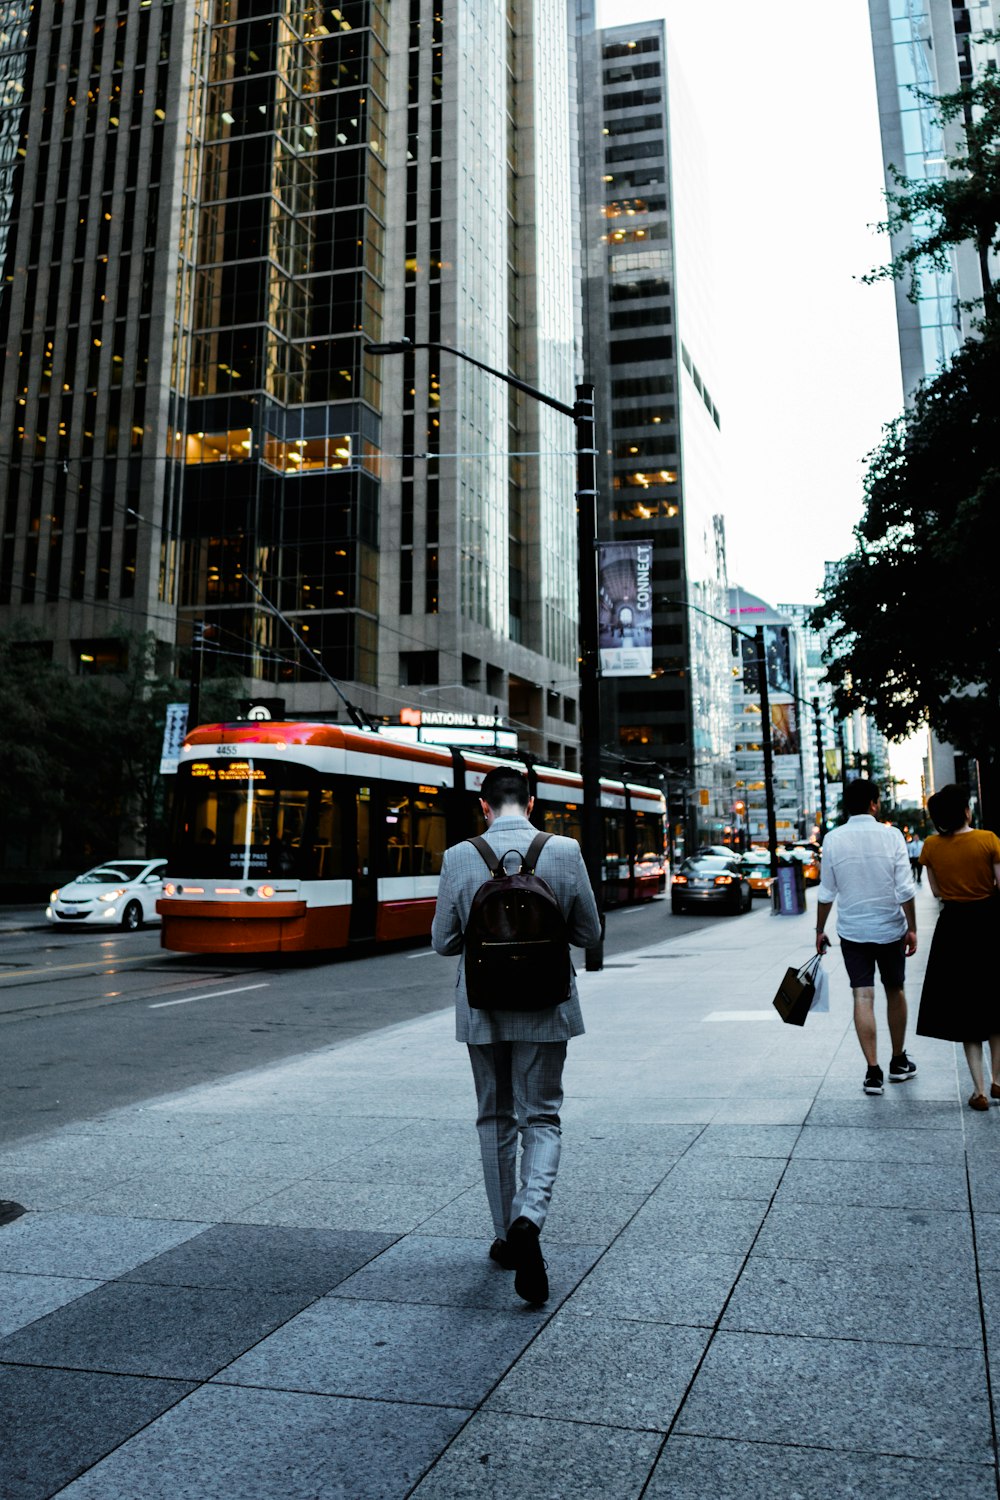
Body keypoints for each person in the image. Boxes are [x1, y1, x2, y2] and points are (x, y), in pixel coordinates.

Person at [432, 766, 602, 1306]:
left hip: (482, 1008)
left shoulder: (459, 857)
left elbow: (442, 941)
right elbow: (589, 932)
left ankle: (507, 1236)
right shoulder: (564, 850)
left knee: (494, 1116)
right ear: (530, 804)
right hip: (547, 1003)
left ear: (485, 807)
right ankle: (531, 1217)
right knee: (542, 1115)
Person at [814, 778, 918, 1095]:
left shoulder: (832, 839)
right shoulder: (891, 836)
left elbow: (826, 892)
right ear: (874, 803)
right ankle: (898, 1061)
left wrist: (819, 931)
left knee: (863, 995)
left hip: (853, 931)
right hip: (889, 928)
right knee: (895, 989)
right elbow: (904, 889)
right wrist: (912, 926)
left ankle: (873, 1072)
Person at [915, 784, 1000, 1111]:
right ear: (966, 810)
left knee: (966, 1010)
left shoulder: (931, 846)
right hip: (989, 925)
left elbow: (935, 891)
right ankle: (998, 1080)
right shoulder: (988, 839)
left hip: (953, 928)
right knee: (995, 1004)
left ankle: (978, 1090)